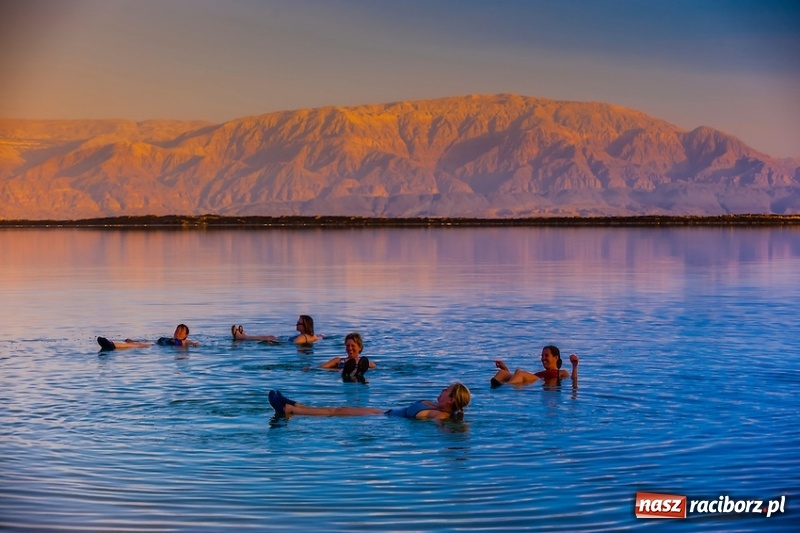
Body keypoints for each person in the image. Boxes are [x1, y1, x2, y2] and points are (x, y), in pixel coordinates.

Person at [268, 383, 471, 420]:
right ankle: (293, 404)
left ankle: (290, 410)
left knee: (337, 411)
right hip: (384, 412)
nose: (442, 390)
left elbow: (442, 426)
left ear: (451, 399)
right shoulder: (435, 406)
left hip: (383, 420)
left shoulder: (439, 414)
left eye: (447, 390)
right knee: (339, 408)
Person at [491, 345, 578, 388]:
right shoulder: (539, 373)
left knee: (519, 372)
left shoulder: (561, 372)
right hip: (531, 380)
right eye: (542, 356)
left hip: (537, 382)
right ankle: (499, 386)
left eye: (546, 355)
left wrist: (574, 366)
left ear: (556, 358)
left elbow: (573, 380)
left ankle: (506, 387)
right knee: (502, 372)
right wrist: (505, 369)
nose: (543, 358)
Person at [97, 324, 200, 351]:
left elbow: (190, 342)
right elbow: (152, 341)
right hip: (156, 344)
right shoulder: (169, 339)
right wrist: (134, 340)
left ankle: (112, 345)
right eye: (177, 330)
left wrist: (194, 344)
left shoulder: (184, 341)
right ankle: (111, 344)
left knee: (137, 346)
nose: (178, 333)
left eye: (181, 332)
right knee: (135, 343)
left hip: (155, 347)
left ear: (185, 335)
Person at [231, 315, 322, 344]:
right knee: (271, 337)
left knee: (270, 337)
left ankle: (241, 337)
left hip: (283, 342)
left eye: (298, 323)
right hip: (286, 340)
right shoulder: (313, 335)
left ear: (305, 326)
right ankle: (244, 336)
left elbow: (291, 344)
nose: (296, 324)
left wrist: (273, 343)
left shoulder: (301, 337)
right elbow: (320, 336)